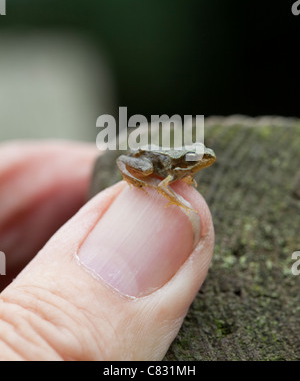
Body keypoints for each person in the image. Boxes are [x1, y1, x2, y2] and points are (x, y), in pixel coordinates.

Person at [0, 141, 214, 360]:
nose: (205, 160)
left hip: (160, 157)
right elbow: (160, 186)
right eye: (197, 158)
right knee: (148, 170)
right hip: (148, 159)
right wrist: (166, 196)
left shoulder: (182, 168)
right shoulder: (172, 168)